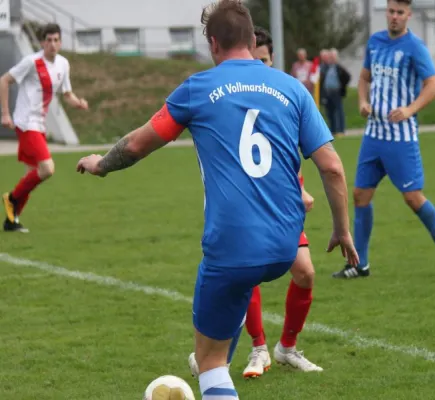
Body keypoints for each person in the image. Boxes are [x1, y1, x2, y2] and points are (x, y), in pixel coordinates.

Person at [76, 1, 358, 399]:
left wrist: (101, 164)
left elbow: (138, 144)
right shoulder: (292, 88)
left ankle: (220, 360)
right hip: (284, 245)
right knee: (243, 292)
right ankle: (253, 338)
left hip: (231, 246)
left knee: (209, 362)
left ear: (213, 43)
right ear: (250, 39)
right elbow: (331, 167)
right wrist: (342, 230)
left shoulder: (198, 89)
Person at [188, 25, 322, 381]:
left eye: (264, 59)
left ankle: (285, 348)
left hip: (283, 207)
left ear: (271, 58)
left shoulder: (283, 91)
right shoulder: (231, 91)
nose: (258, 66)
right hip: (250, 208)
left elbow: (279, 155)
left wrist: (299, 190)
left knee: (306, 273)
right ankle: (257, 346)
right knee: (248, 274)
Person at [332, 0, 435, 280]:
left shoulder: (414, 47)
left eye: (399, 13)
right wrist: (363, 102)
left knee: (413, 198)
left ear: (409, 15)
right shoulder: (376, 42)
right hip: (373, 136)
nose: (394, 17)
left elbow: (434, 84)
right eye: (391, 11)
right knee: (360, 196)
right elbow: (365, 78)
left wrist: (409, 109)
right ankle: (360, 264)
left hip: (400, 139)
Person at [1, 23, 89, 233]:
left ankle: (11, 221)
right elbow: (4, 81)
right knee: (47, 169)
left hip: (39, 125)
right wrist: (5, 114)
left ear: (60, 42)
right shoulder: (31, 62)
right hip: (26, 123)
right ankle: (11, 198)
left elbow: (66, 93)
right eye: (48, 40)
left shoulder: (63, 64)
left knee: (31, 175)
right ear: (41, 42)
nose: (52, 44)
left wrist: (78, 103)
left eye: (56, 40)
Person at [319, 48, 351, 136]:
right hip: (328, 92)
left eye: (332, 57)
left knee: (338, 111)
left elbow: (347, 77)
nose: (331, 59)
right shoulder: (326, 68)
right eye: (330, 57)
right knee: (330, 112)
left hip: (336, 92)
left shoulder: (339, 67)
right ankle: (332, 130)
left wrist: (342, 86)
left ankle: (340, 130)